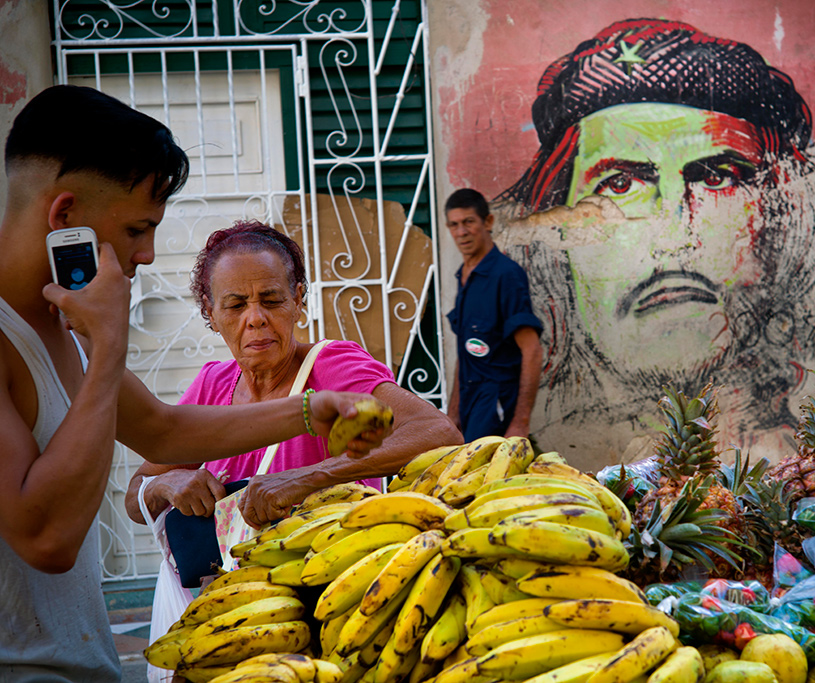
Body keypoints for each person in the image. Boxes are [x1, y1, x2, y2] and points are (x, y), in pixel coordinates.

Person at [0, 85, 390, 681]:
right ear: (65, 217)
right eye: (136, 229)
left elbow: (162, 430)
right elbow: (46, 537)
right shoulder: (50, 337)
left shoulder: (65, 326)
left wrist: (312, 410)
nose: (149, 254)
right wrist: (108, 348)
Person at [492, 18, 815, 456]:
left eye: (715, 178)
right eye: (619, 185)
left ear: (778, 223)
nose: (674, 239)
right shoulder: (555, 479)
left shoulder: (811, 475)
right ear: (559, 247)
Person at [125, 221, 463, 529]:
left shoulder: (330, 365)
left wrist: (308, 478)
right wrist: (164, 485)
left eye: (271, 300)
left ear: (297, 300)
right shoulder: (213, 385)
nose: (255, 318)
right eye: (236, 305)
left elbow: (437, 432)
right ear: (210, 313)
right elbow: (135, 499)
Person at [445, 188, 543, 442]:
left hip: (496, 408)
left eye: (469, 222)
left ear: (487, 222)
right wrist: (453, 414)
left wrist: (520, 423)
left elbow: (532, 350)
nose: (461, 232)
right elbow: (465, 352)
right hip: (470, 405)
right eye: (454, 225)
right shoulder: (464, 276)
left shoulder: (506, 275)